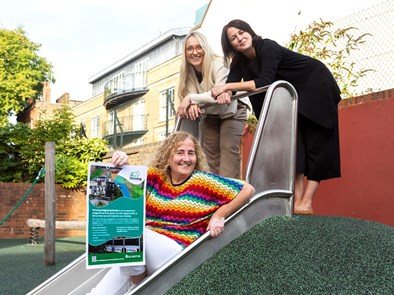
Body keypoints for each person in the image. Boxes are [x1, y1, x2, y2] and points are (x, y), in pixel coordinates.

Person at [87, 131, 255, 295]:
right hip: (146, 249)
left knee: (129, 230)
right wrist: (122, 159)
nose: (186, 159)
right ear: (168, 157)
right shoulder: (156, 177)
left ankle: (139, 277)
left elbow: (247, 189)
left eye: (191, 153)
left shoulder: (203, 181)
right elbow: (128, 179)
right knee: (98, 291)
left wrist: (220, 215)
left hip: (177, 253)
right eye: (180, 153)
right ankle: (138, 273)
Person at [211, 19, 341, 215]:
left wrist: (228, 88)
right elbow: (232, 85)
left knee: (318, 143)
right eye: (233, 38)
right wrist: (225, 91)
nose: (239, 38)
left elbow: (264, 80)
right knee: (295, 146)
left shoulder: (268, 47)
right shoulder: (240, 61)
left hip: (315, 85)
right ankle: (296, 201)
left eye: (241, 32)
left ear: (249, 31)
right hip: (295, 94)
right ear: (231, 45)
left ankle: (307, 201)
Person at [177, 31, 250, 179]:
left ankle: (231, 196)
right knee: (208, 155)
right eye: (189, 49)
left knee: (228, 148)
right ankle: (211, 196)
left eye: (199, 47)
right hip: (211, 114)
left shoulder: (219, 64)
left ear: (206, 48)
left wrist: (192, 98)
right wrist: (193, 103)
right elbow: (192, 98)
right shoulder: (188, 71)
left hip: (232, 110)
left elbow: (219, 92)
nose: (195, 52)